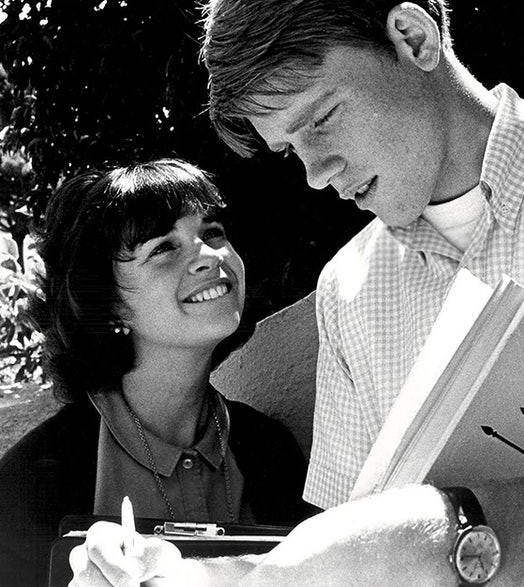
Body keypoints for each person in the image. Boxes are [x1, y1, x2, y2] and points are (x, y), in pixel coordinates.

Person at [70, 0, 524, 584]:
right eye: (291, 149)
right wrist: (194, 575)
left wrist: (450, 534)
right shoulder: (349, 290)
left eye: (321, 118)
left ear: (413, 37)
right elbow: (338, 556)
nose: (316, 173)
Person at [0, 159, 313, 587]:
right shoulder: (27, 482)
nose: (209, 256)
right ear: (107, 302)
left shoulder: (271, 448)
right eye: (164, 247)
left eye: (213, 232)